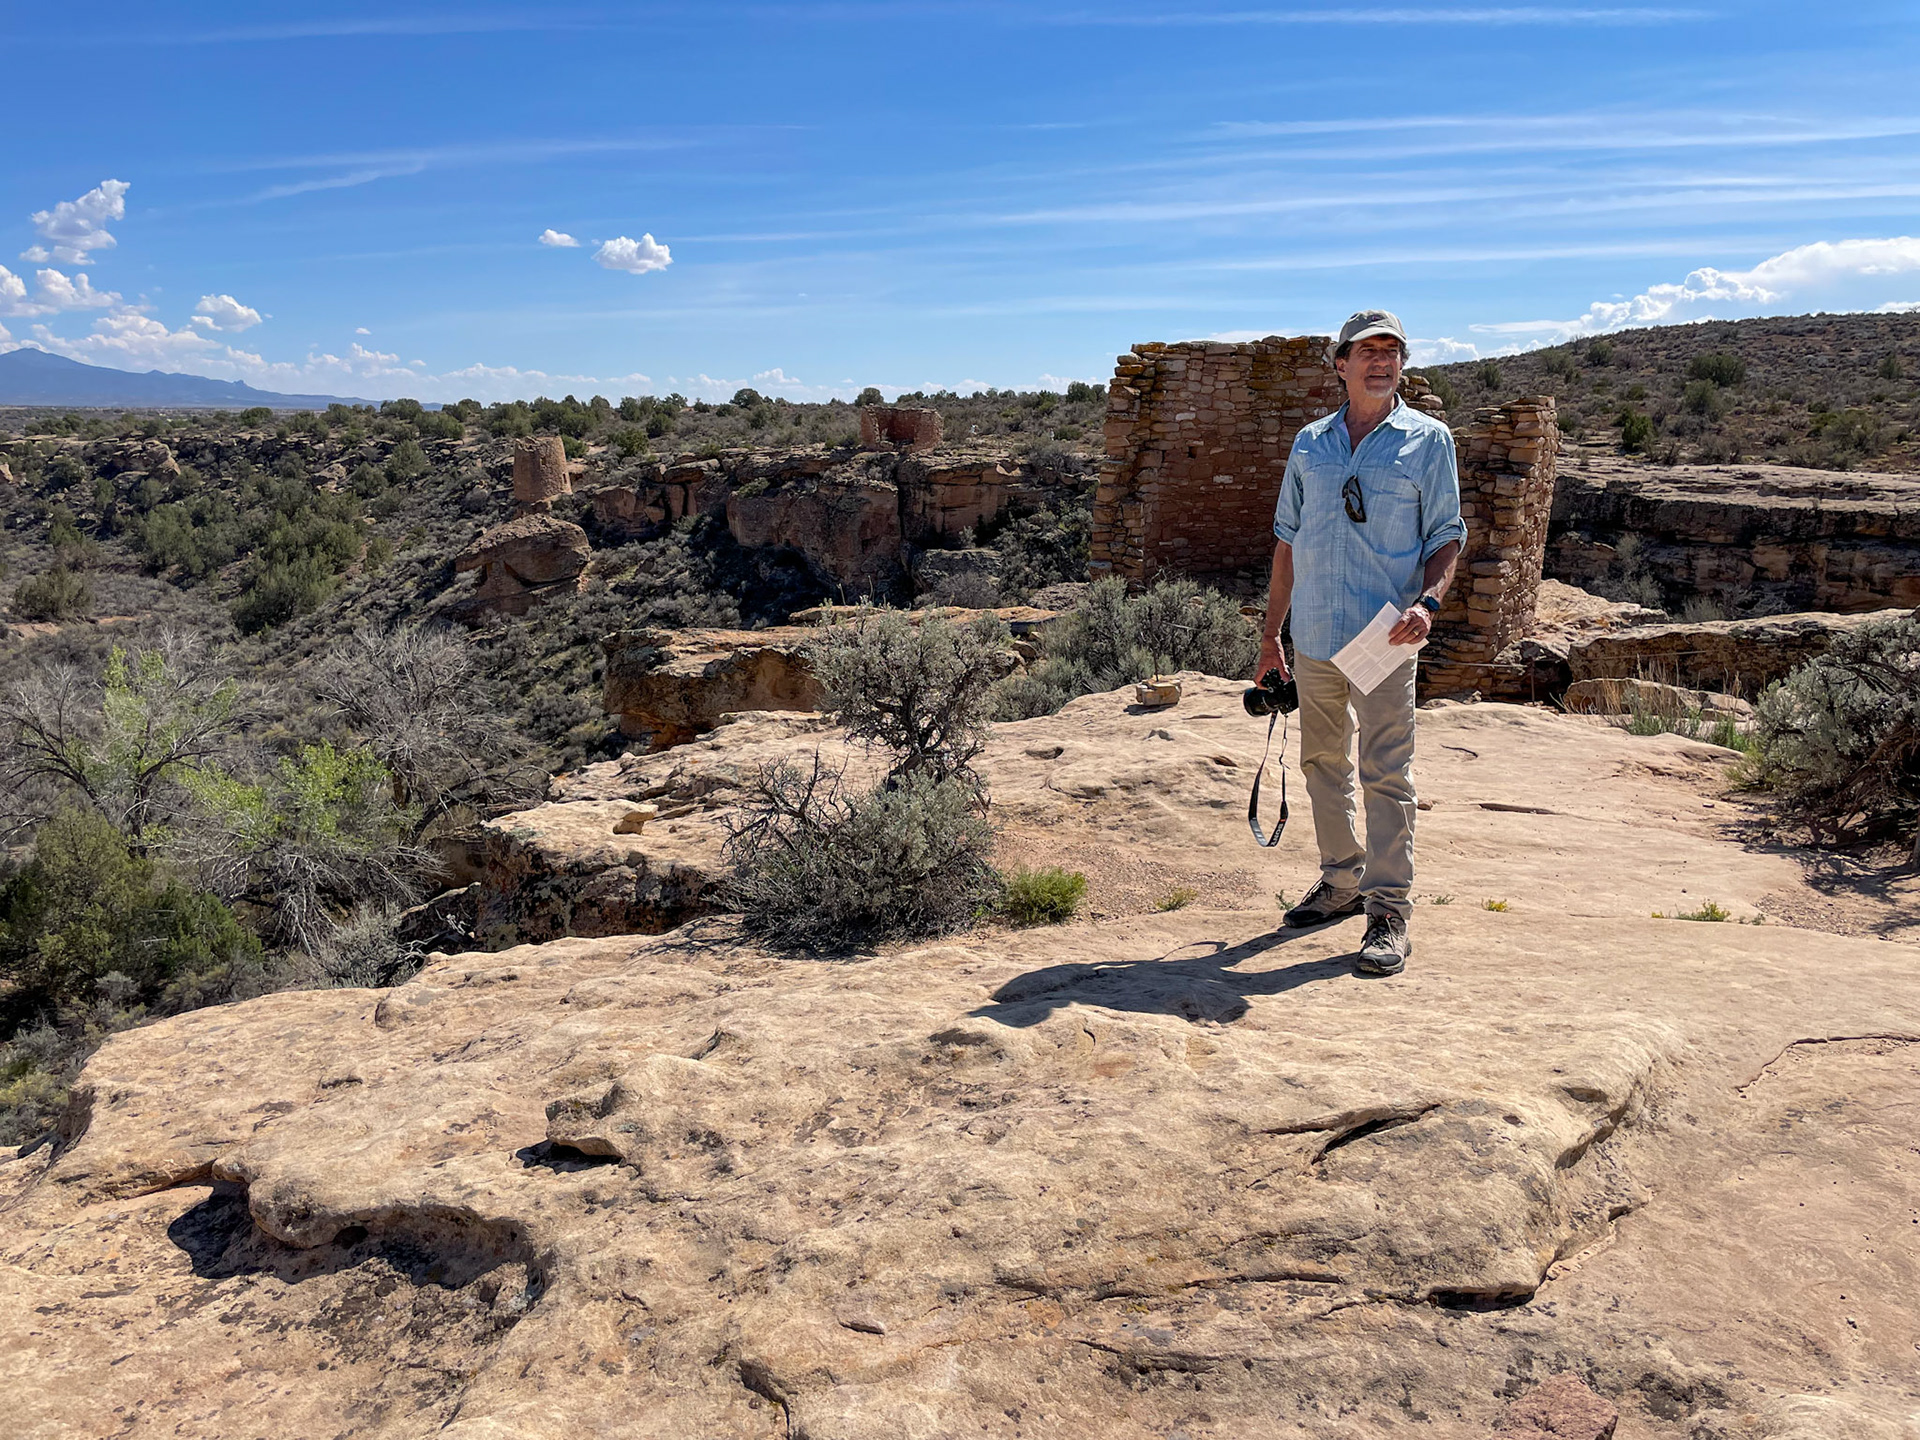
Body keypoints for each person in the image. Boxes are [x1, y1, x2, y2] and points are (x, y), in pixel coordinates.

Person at [1254, 309, 1465, 976]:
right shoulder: (1310, 444)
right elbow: (1287, 540)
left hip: (1384, 634)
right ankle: (1343, 880)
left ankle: (1388, 910)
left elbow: (1448, 536)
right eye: (1366, 351)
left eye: (1391, 351)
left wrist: (1428, 603)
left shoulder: (1428, 442)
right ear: (1339, 364)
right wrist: (1270, 638)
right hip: (1314, 632)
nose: (1380, 362)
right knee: (1321, 764)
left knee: (1385, 773)